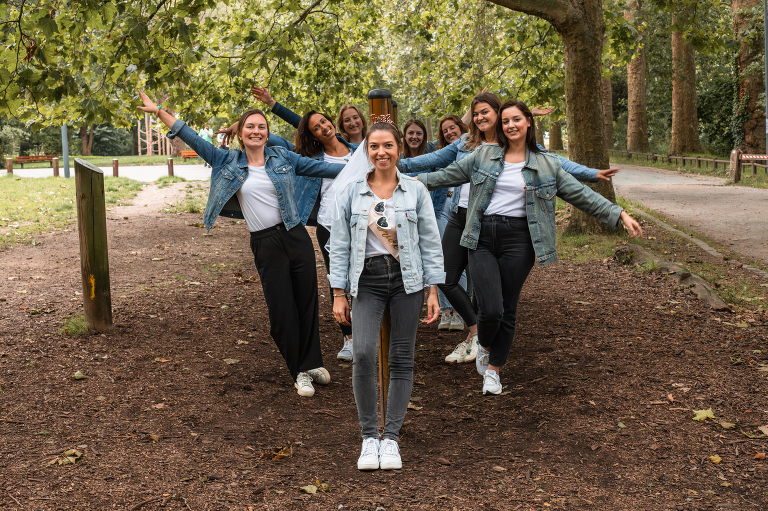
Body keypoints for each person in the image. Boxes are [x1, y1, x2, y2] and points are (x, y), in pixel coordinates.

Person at [416, 100, 642, 395]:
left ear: (528, 123)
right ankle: (484, 344)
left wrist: (619, 213)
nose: (510, 125)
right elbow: (443, 176)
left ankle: (494, 371)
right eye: (506, 121)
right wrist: (400, 182)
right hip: (482, 237)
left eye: (516, 120)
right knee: (491, 308)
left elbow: (581, 195)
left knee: (507, 309)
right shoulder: (483, 154)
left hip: (519, 240)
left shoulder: (547, 164)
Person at [136, 90, 348, 397]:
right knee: (281, 310)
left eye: (261, 127)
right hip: (265, 242)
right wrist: (159, 112)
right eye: (250, 126)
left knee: (307, 302)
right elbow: (192, 137)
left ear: (267, 133)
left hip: (296, 235)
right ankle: (298, 370)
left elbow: (325, 168)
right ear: (241, 133)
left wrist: (367, 170)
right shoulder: (227, 161)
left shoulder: (283, 157)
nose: (256, 131)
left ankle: (311, 361)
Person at [324, 119, 444, 471]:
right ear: (367, 151)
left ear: (399, 149)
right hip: (368, 280)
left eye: (388, 146)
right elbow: (341, 246)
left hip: (408, 280)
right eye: (374, 146)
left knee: (402, 357)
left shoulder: (415, 191)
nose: (381, 152)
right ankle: (368, 438)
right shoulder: (351, 193)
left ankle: (390, 438)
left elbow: (430, 241)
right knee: (362, 353)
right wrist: (338, 292)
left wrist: (433, 289)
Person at [249, 87, 367, 144]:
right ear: (341, 125)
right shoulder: (336, 143)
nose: (353, 123)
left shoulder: (374, 143)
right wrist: (271, 102)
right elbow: (300, 122)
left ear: (362, 120)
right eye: (347, 120)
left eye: (355, 117)